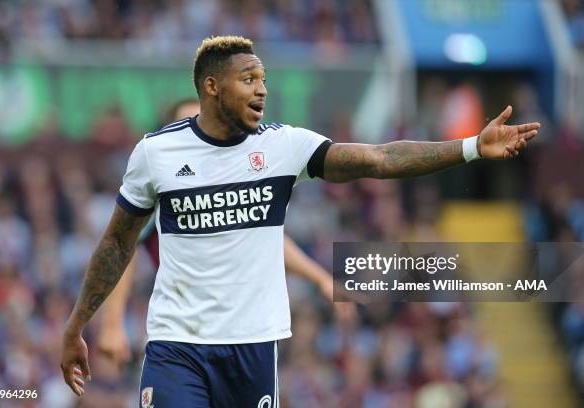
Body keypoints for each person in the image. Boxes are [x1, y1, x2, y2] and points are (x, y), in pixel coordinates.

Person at [61, 36, 540, 407]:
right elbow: (116, 244)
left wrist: (471, 147)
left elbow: (379, 158)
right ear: (211, 86)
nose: (262, 89)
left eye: (263, 78)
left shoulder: (282, 147)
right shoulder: (156, 153)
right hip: (176, 345)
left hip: (252, 348)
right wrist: (77, 325)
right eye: (248, 78)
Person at [96, 98, 354, 366]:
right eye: (185, 125)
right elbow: (124, 250)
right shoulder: (164, 187)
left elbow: (269, 242)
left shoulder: (234, 181)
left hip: (239, 333)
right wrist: (112, 325)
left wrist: (321, 279)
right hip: (180, 335)